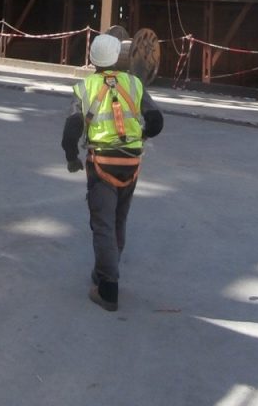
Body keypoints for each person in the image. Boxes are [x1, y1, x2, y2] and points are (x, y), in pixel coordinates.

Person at [61, 32, 164, 311]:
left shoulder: (85, 88)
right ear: (119, 57)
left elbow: (71, 133)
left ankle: (108, 288)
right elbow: (156, 121)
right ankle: (105, 268)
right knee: (118, 219)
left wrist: (72, 159)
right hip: (131, 163)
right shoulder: (135, 84)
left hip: (101, 163)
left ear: (93, 59)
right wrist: (140, 135)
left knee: (103, 224)